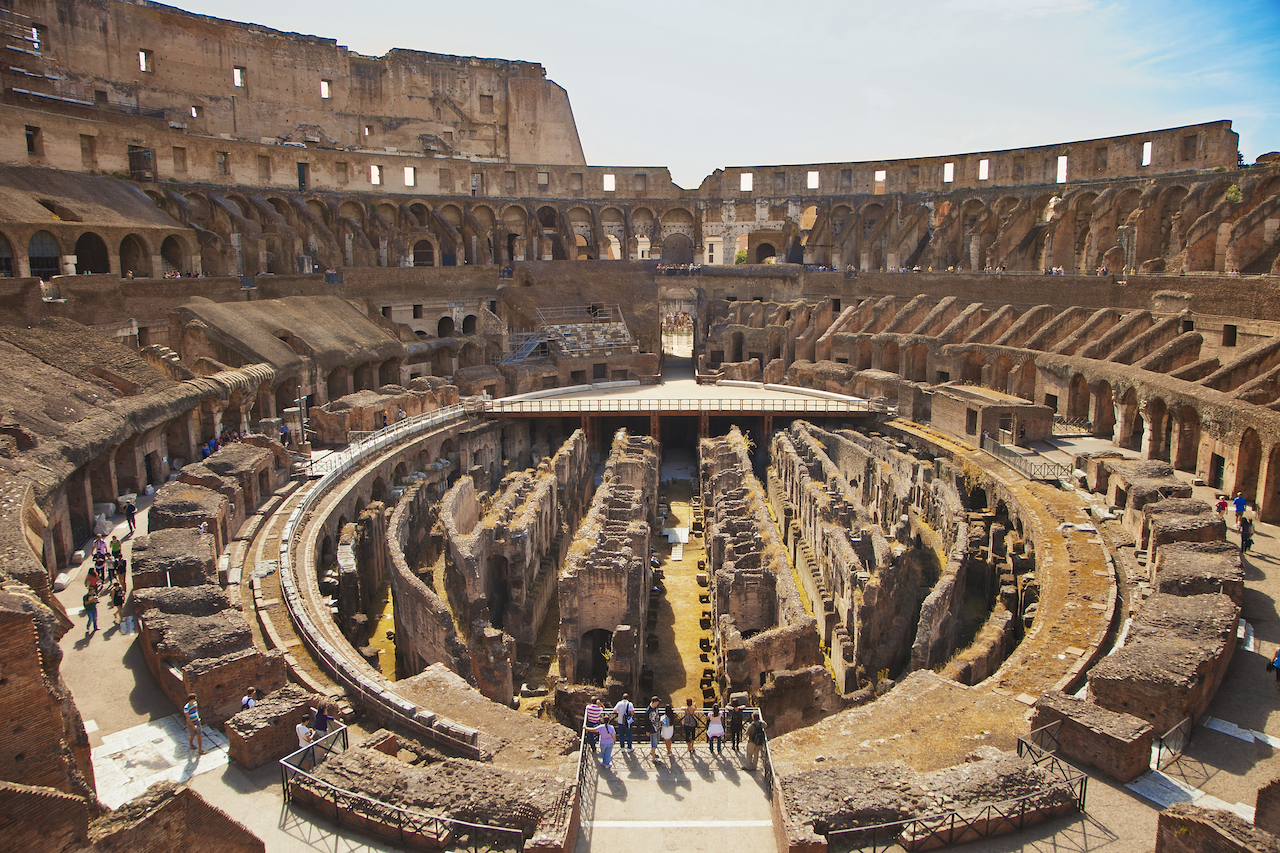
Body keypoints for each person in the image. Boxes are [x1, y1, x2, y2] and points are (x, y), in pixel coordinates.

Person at [646, 696, 663, 760]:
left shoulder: (656, 708)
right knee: (653, 743)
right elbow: (646, 721)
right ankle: (653, 758)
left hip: (657, 727)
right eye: (657, 702)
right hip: (652, 729)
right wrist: (647, 731)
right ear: (654, 702)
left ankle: (652, 752)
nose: (658, 703)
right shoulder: (648, 710)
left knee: (657, 741)